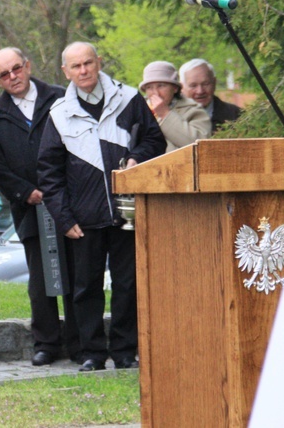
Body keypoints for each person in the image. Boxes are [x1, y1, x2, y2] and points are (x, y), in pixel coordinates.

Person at [37, 42, 166, 372]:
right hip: (83, 218)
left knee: (127, 285)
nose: (83, 71)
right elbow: (49, 173)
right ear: (65, 72)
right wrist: (63, 217)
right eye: (75, 66)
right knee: (86, 289)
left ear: (99, 62)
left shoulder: (129, 99)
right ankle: (91, 353)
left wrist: (138, 157)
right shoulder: (59, 114)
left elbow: (155, 140)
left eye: (88, 63)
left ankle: (125, 351)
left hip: (127, 212)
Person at [0, 47, 80, 366]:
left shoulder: (62, 98)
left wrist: (59, 189)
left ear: (28, 66)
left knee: (77, 277)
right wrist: (26, 192)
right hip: (31, 209)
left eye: (17, 69)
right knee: (40, 282)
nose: (13, 77)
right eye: (5, 74)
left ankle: (81, 343)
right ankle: (47, 344)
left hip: (70, 204)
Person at [139, 60, 211, 153]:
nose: (156, 93)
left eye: (161, 86)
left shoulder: (193, 110)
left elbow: (202, 146)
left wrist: (165, 114)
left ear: (175, 88)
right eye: (149, 87)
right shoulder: (138, 111)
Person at [179, 58, 242, 133]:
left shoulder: (236, 115)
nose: (200, 91)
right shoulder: (172, 118)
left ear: (214, 83)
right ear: (181, 87)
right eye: (193, 85)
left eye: (205, 84)